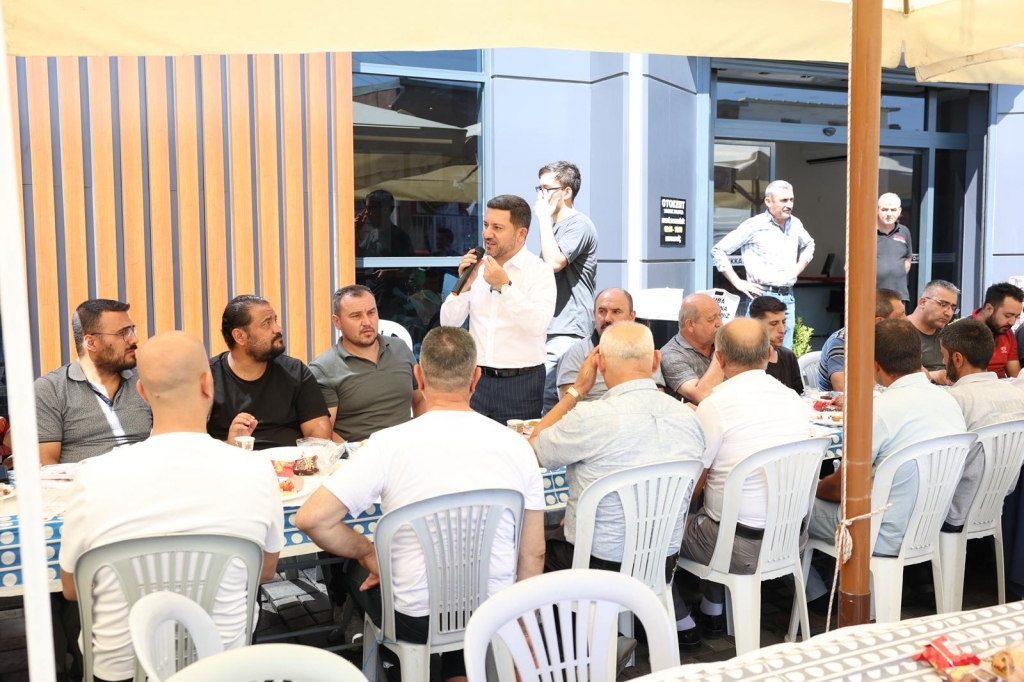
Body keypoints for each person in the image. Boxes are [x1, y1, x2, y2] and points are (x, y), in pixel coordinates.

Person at [296, 327, 546, 682]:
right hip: (493, 611)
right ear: (476, 378)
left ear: (419, 376)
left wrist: (368, 553)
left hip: (415, 619)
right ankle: (460, 671)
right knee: (469, 584)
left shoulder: (386, 444)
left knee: (359, 572)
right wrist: (521, 620)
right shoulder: (518, 447)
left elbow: (312, 518)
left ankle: (405, 668)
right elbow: (534, 553)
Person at [58, 331, 283, 682]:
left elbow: (73, 589)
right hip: (223, 668)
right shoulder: (256, 471)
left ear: (143, 392)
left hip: (122, 673)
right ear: (208, 384)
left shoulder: (92, 477)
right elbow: (265, 571)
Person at [531, 321, 705, 649]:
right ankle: (611, 640)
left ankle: (575, 648)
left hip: (599, 566)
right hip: (662, 563)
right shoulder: (690, 417)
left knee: (536, 546)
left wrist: (576, 391)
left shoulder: (590, 416)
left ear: (599, 364)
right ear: (656, 361)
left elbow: (534, 449)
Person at [807, 319, 967, 601]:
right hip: (930, 524)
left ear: (874, 364)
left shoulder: (876, 411)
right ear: (918, 355)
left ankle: (811, 598)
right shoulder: (948, 401)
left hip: (878, 531)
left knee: (792, 509)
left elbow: (841, 489)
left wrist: (812, 487)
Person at [675, 318, 811, 645]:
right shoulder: (793, 399)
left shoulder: (715, 406)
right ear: (767, 354)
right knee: (717, 513)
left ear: (719, 358)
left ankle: (679, 622)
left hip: (738, 548)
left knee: (658, 531)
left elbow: (694, 484)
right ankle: (712, 609)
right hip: (792, 538)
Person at [440, 195, 556, 424]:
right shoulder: (477, 267)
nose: (487, 234)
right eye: (486, 225)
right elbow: (448, 323)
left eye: (497, 228)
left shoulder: (540, 272)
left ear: (521, 233)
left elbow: (537, 325)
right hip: (476, 379)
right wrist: (465, 285)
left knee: (516, 445)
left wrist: (504, 286)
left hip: (521, 384)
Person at [34, 299, 152, 466]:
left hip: (145, 476)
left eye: (132, 330)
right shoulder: (50, 389)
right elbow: (47, 465)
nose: (134, 339)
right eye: (123, 332)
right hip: (83, 481)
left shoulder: (146, 377)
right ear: (91, 342)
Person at [207, 295, 332, 449]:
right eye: (267, 323)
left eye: (275, 320)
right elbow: (191, 446)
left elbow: (318, 430)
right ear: (240, 336)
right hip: (232, 461)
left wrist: (307, 458)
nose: (278, 329)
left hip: (291, 461)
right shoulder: (208, 378)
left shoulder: (295, 371)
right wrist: (229, 446)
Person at [309, 285, 425, 443]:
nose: (367, 322)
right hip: (357, 453)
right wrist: (359, 453)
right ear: (337, 322)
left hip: (407, 449)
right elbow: (324, 433)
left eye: (371, 312)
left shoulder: (400, 348)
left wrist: (422, 440)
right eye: (356, 316)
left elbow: (420, 400)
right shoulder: (324, 368)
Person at [940, 319, 1024, 530]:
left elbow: (941, 467)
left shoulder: (954, 400)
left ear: (957, 358)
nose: (943, 362)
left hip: (953, 513)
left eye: (943, 355)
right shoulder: (1017, 395)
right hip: (997, 504)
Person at [711, 180, 815, 349]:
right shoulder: (754, 225)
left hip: (788, 297)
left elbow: (809, 244)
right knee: (755, 350)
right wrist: (737, 282)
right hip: (762, 296)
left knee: (784, 353)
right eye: (784, 200)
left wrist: (798, 268)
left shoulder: (795, 223)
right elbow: (718, 250)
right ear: (768, 201)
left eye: (791, 200)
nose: (789, 205)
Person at [533, 161, 599, 413]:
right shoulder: (555, 226)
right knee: (546, 399)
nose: (541, 196)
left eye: (547, 189)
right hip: (552, 327)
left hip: (568, 329)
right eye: (539, 189)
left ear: (567, 191)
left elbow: (553, 262)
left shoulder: (578, 224)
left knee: (555, 400)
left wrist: (542, 218)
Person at [556, 288, 667, 401]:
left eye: (616, 311)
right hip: (594, 411)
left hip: (639, 409)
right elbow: (567, 404)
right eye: (601, 311)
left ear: (632, 316)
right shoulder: (576, 354)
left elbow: (658, 394)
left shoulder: (643, 348)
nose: (607, 318)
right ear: (594, 314)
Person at [816, 288, 906, 392]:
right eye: (899, 316)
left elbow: (914, 374)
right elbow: (842, 387)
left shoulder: (892, 338)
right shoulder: (842, 342)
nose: (907, 319)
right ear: (879, 322)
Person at [660, 293, 724, 404]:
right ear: (690, 324)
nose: (719, 323)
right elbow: (703, 395)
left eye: (720, 316)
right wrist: (721, 349)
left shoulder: (720, 345)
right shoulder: (671, 355)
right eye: (711, 319)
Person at [906, 279, 960, 384]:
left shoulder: (948, 336)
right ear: (923, 302)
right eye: (942, 304)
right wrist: (930, 376)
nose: (949, 313)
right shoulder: (898, 331)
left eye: (953, 307)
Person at [748, 295, 802, 394]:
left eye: (784, 322)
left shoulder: (788, 356)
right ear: (755, 325)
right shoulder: (745, 361)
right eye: (774, 324)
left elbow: (799, 395)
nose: (782, 330)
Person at [971, 282, 1024, 379]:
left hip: (1001, 386)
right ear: (989, 309)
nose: (1012, 322)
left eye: (1017, 317)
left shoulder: (1007, 333)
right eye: (1008, 315)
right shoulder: (962, 331)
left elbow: (1015, 377)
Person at [876, 193, 913, 302]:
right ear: (877, 210)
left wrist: (898, 273)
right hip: (874, 295)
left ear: (899, 211)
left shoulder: (904, 231)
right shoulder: (868, 231)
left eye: (893, 210)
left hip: (899, 294)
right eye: (884, 209)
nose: (889, 214)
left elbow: (908, 258)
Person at [355, 190, 414, 258]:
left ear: (385, 209)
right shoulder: (373, 234)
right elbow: (357, 255)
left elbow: (406, 263)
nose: (366, 212)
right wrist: (356, 230)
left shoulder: (400, 238)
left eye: (370, 208)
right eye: (366, 208)